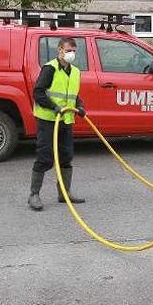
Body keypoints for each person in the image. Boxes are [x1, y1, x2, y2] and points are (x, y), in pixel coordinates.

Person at [28, 37, 87, 211]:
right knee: (45, 157)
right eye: (68, 50)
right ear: (60, 50)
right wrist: (53, 107)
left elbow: (72, 94)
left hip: (66, 121)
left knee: (66, 157)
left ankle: (64, 193)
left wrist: (80, 106)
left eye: (74, 51)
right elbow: (38, 93)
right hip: (48, 120)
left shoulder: (75, 71)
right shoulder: (50, 68)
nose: (71, 54)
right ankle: (34, 195)